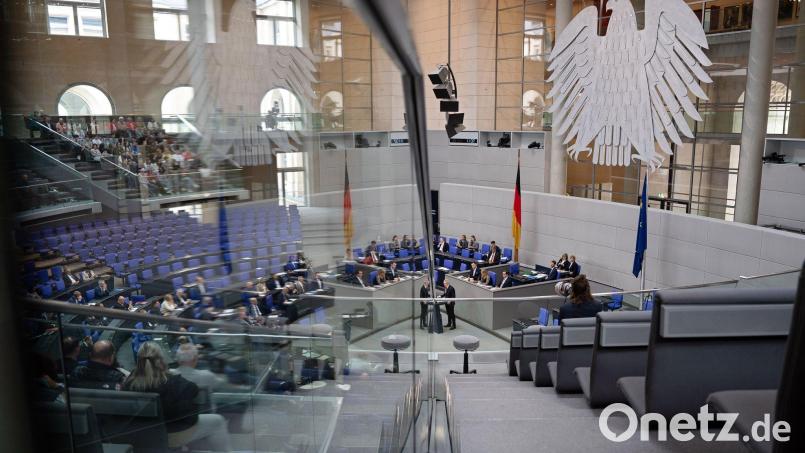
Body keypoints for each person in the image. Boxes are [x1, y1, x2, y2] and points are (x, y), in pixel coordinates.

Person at [124, 342, 233, 452]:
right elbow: (193, 390)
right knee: (218, 421)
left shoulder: (129, 382)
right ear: (161, 360)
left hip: (143, 435)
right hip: (173, 434)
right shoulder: (172, 381)